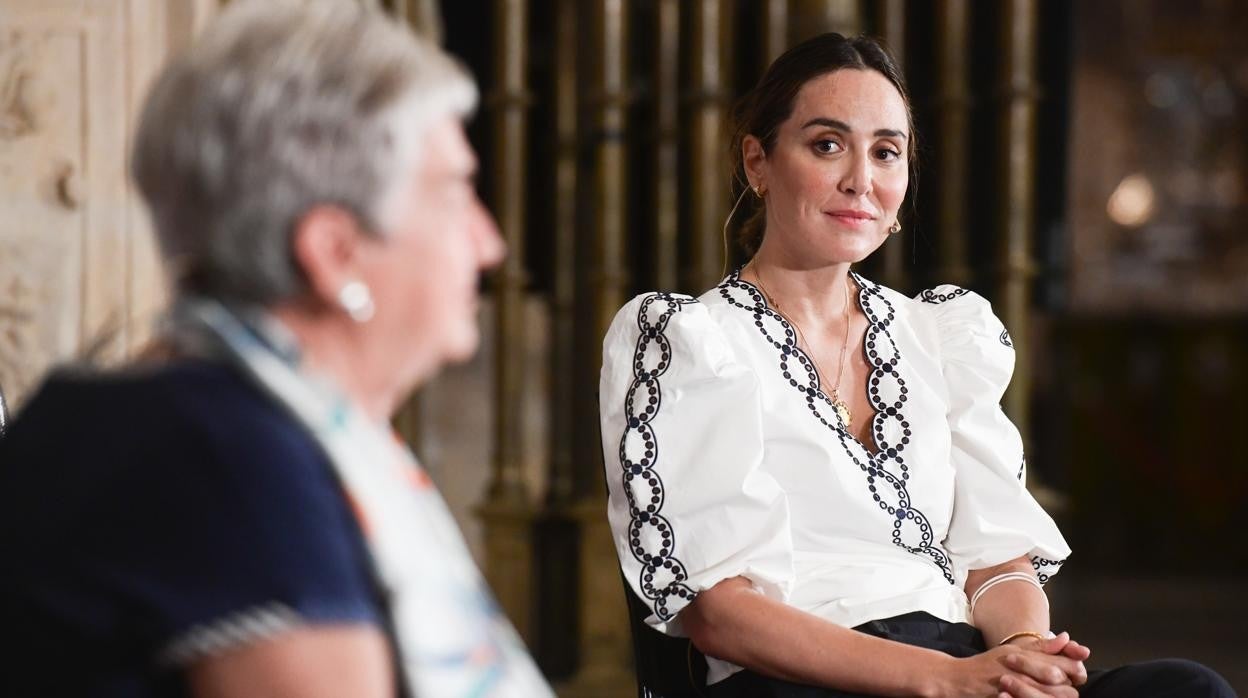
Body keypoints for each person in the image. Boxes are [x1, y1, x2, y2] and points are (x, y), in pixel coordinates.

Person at [599, 33, 1235, 698]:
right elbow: (720, 615)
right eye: (826, 144)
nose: (861, 181)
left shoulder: (939, 335)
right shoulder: (693, 342)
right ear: (758, 161)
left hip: (961, 662)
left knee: (1187, 688)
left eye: (886, 152)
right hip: (796, 678)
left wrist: (1019, 657)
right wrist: (943, 681)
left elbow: (997, 563)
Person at [0, 2, 553, 696]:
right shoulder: (222, 459)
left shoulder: (208, 418)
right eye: (455, 193)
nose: (489, 242)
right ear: (333, 252)